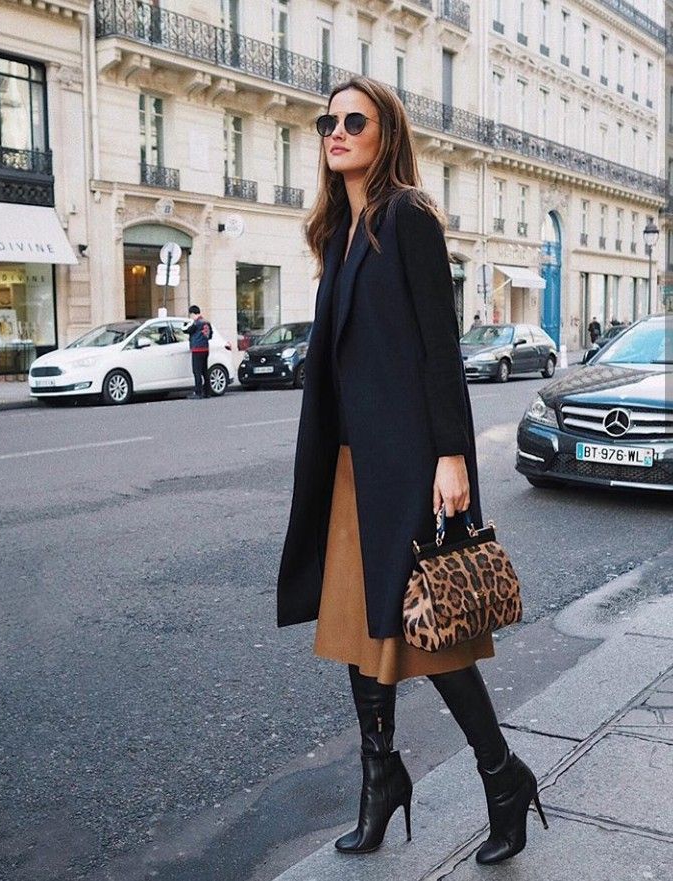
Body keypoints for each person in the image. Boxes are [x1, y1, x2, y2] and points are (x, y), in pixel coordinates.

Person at [277, 76, 547, 863]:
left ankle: (503, 773)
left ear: (385, 133)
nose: (336, 130)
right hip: (351, 465)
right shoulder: (338, 232)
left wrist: (454, 454)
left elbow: (440, 349)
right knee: (361, 630)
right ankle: (380, 774)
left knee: (430, 631)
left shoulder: (409, 219)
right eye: (328, 119)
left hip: (408, 462)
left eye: (353, 120)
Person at [183, 305, 213, 398]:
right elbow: (210, 335)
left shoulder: (196, 323)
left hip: (197, 349)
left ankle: (198, 392)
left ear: (192, 313)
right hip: (205, 349)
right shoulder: (207, 322)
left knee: (197, 371)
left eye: (190, 314)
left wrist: (184, 325)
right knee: (204, 371)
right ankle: (207, 392)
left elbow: (187, 331)